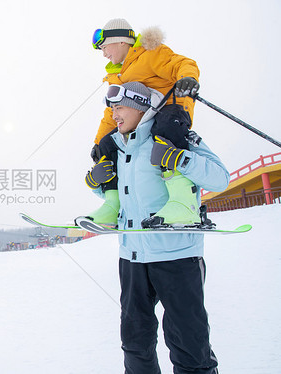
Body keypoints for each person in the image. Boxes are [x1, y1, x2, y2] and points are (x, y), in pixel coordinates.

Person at [89, 82, 228, 373]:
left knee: (189, 345)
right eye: (112, 109)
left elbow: (219, 178)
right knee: (135, 344)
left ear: (140, 106)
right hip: (132, 259)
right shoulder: (116, 145)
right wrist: (96, 182)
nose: (114, 115)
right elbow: (126, 197)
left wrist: (181, 158)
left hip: (176, 257)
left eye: (120, 108)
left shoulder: (172, 134)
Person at [87, 18, 201, 226]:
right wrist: (98, 140)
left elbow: (182, 63)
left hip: (170, 112)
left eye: (105, 47)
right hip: (141, 121)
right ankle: (113, 205)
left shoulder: (149, 54)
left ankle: (184, 202)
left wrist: (187, 78)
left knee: (165, 127)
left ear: (121, 41)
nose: (104, 54)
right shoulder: (116, 75)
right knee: (107, 144)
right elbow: (111, 111)